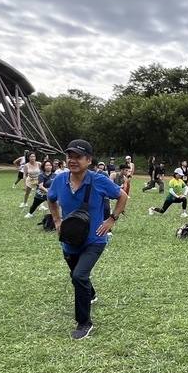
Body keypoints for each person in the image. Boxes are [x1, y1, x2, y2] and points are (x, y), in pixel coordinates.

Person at [47, 139, 128, 340]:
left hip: (95, 239)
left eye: (78, 157)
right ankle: (90, 293)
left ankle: (84, 323)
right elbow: (51, 198)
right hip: (69, 239)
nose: (72, 160)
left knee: (79, 276)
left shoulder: (99, 180)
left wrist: (112, 219)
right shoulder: (60, 180)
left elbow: (123, 196)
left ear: (88, 160)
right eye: (69, 156)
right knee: (76, 273)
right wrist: (57, 220)